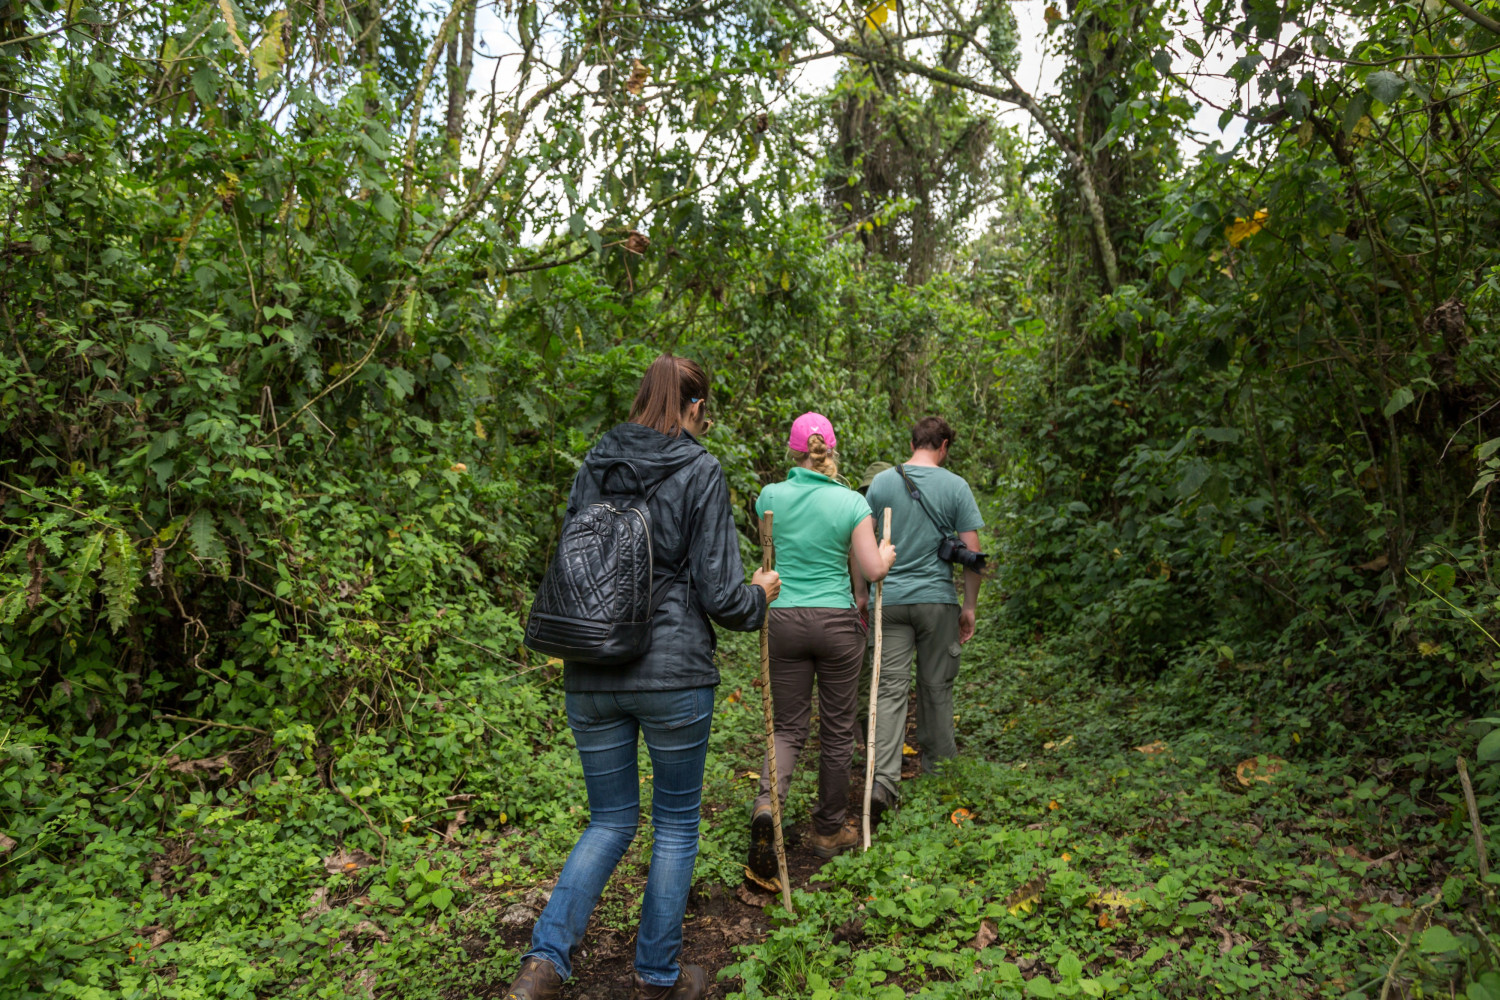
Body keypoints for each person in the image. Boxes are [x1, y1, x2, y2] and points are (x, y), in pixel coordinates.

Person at [504, 355, 781, 1000]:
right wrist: (759, 593)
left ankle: (543, 963)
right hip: (673, 674)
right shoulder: (700, 467)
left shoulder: (596, 463)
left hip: (590, 665)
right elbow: (720, 594)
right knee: (677, 824)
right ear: (693, 407)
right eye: (702, 410)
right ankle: (657, 976)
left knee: (608, 821)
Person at [748, 413, 896, 876]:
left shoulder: (769, 496)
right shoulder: (852, 502)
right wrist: (886, 553)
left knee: (788, 727)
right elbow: (872, 570)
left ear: (794, 451)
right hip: (835, 624)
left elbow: (769, 552)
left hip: (785, 619)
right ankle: (829, 830)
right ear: (831, 450)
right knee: (836, 731)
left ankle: (766, 808)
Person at [861, 416, 983, 826]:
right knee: (936, 688)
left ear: (913, 443)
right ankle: (939, 780)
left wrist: (863, 593)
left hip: (890, 600)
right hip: (936, 602)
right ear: (944, 445)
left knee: (890, 691)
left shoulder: (881, 484)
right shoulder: (956, 486)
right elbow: (972, 552)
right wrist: (969, 606)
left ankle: (883, 782)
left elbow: (864, 543)